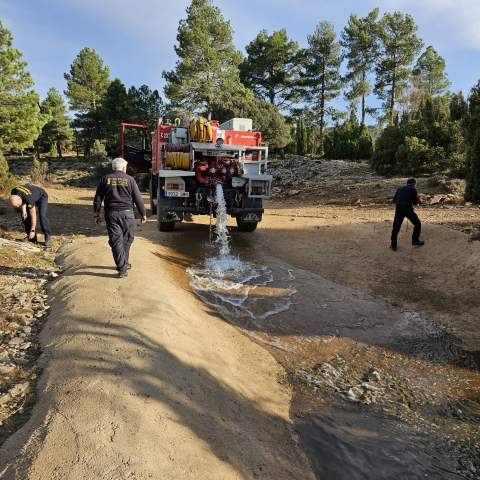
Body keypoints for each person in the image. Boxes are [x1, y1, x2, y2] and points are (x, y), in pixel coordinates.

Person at [94, 157, 147, 278]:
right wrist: (143, 213)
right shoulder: (130, 179)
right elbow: (138, 198)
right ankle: (123, 266)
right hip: (127, 214)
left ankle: (122, 265)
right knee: (127, 239)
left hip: (111, 214)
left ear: (113, 167)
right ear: (124, 168)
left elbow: (98, 198)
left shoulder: (105, 179)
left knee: (116, 240)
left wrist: (96, 214)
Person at [390, 178, 425, 251]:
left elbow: (394, 200)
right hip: (408, 210)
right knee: (417, 224)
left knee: (396, 227)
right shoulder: (413, 189)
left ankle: (393, 245)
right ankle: (415, 240)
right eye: (415, 184)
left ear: (407, 183)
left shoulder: (399, 188)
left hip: (399, 210)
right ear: (414, 184)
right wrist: (418, 199)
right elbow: (415, 203)